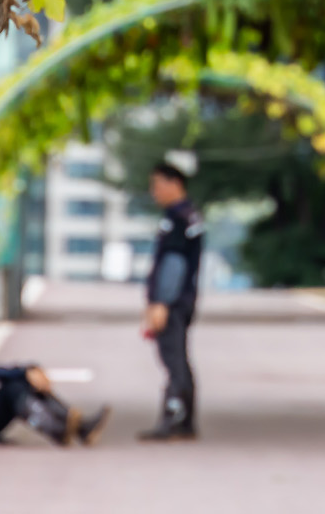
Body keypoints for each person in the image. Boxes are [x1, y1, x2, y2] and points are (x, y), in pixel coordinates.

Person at [0, 300, 110, 447]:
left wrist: (26, 370)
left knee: (21, 382)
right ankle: (60, 428)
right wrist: (23, 371)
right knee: (13, 388)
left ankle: (75, 425)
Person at [138, 155, 205, 441]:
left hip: (174, 301)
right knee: (180, 359)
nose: (154, 192)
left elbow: (174, 264)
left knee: (173, 360)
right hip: (184, 298)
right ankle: (186, 420)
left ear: (174, 183)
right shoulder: (190, 216)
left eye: (157, 185)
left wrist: (161, 302)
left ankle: (174, 418)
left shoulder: (177, 219)